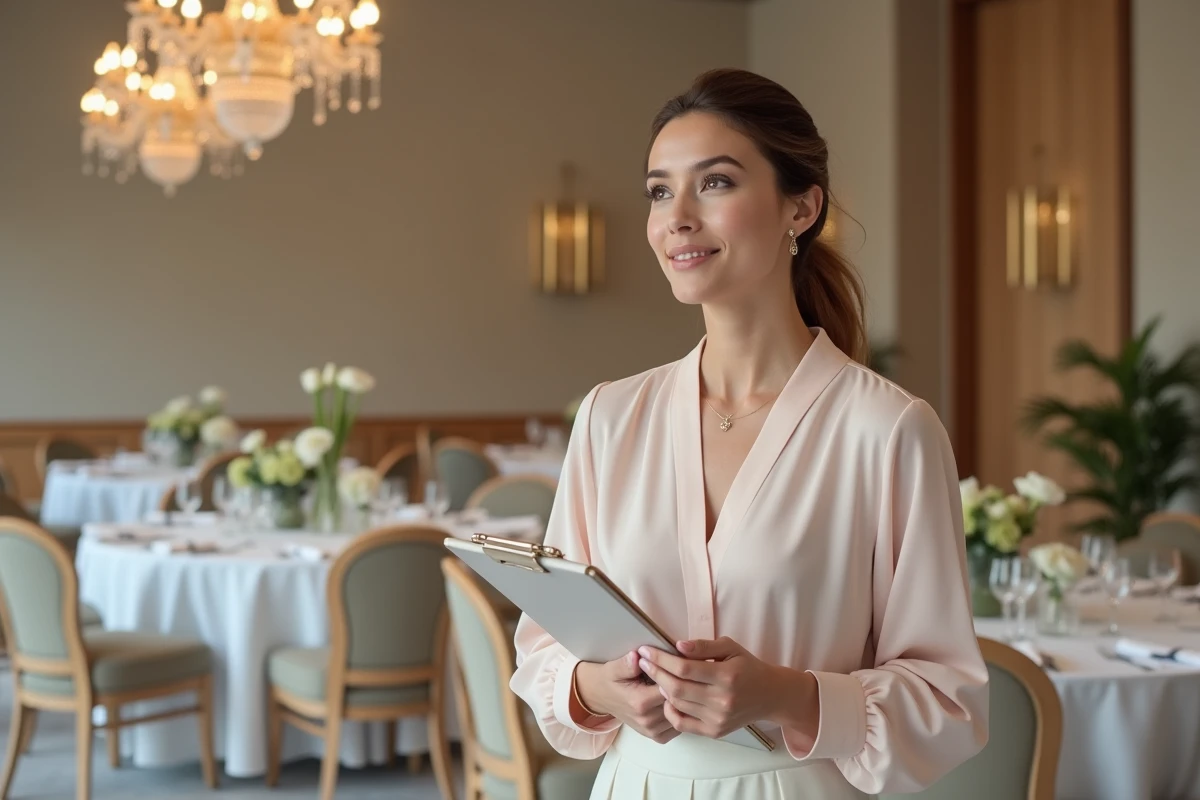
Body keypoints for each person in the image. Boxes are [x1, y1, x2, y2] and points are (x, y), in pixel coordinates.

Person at [511, 67, 988, 799]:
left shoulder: (887, 430)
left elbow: (948, 703)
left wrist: (788, 696)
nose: (677, 217)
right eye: (660, 189)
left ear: (801, 206)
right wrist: (597, 690)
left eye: (716, 183)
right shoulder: (612, 417)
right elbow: (545, 646)